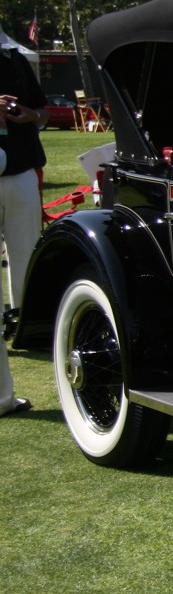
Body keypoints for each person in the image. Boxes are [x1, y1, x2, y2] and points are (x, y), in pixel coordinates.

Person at [0, 23, 46, 418]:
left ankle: (31, 327)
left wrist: (29, 114)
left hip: (20, 171)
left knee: (29, 255)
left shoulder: (13, 59)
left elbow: (42, 109)